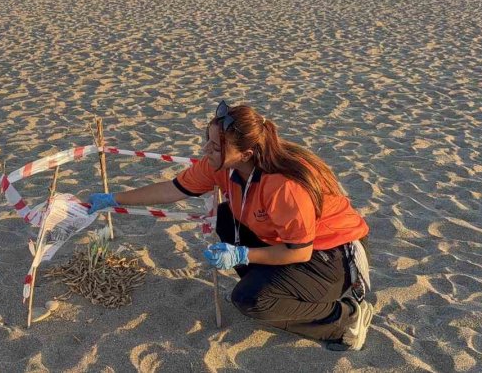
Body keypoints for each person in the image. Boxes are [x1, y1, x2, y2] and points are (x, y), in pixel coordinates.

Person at [87, 101, 374, 351]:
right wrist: (113, 199)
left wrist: (242, 255)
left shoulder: (283, 186)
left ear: (246, 154)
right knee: (226, 216)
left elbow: (298, 251)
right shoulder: (222, 165)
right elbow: (173, 190)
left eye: (215, 146)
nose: (206, 150)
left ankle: (344, 319)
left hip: (333, 257)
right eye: (208, 141)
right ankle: (274, 290)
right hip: (291, 245)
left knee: (251, 300)